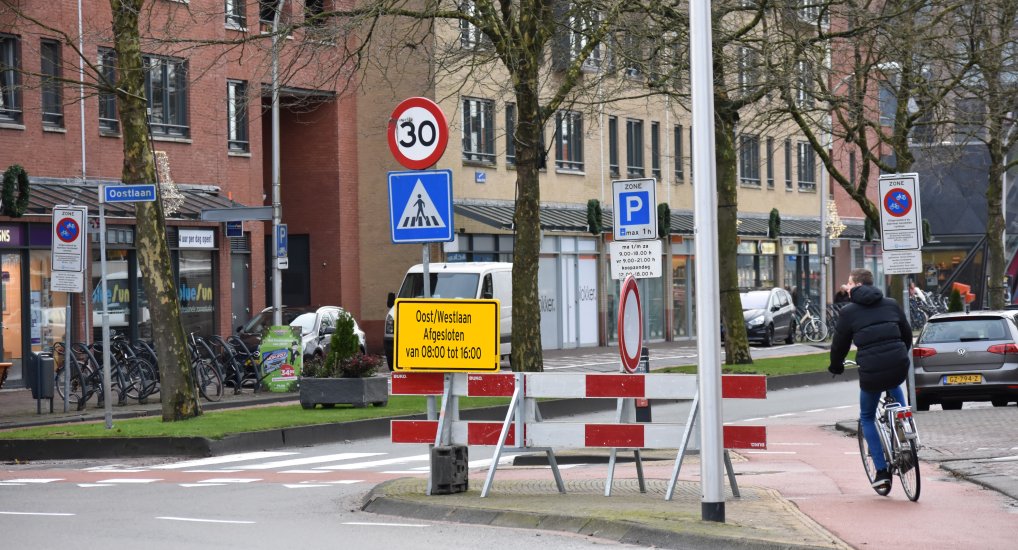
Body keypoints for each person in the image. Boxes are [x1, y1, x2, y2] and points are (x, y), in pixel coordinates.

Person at [828, 268, 913, 491]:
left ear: (856, 285)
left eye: (848, 282)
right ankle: (905, 430)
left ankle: (882, 471)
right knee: (894, 385)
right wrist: (900, 353)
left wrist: (835, 365)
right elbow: (906, 333)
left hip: (872, 370)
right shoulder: (891, 303)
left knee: (866, 417)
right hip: (898, 363)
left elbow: (840, 345)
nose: (846, 286)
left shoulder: (848, 312)